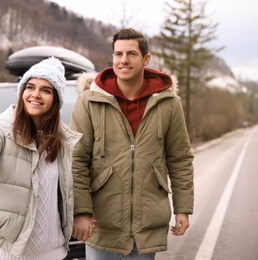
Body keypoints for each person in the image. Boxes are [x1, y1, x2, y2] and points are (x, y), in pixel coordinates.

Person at [70, 28, 194, 259]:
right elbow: (77, 159)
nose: (123, 60)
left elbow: (180, 159)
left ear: (146, 59)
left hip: (147, 226)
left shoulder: (169, 103)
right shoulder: (89, 101)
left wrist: (183, 209)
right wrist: (82, 211)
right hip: (101, 224)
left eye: (131, 54)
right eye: (118, 54)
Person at [0, 57, 84, 260]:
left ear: (56, 99)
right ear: (22, 92)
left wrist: (83, 213)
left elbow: (74, 186)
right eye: (30, 87)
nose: (36, 94)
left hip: (54, 253)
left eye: (46, 90)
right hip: (8, 255)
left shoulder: (64, 139)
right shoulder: (2, 128)